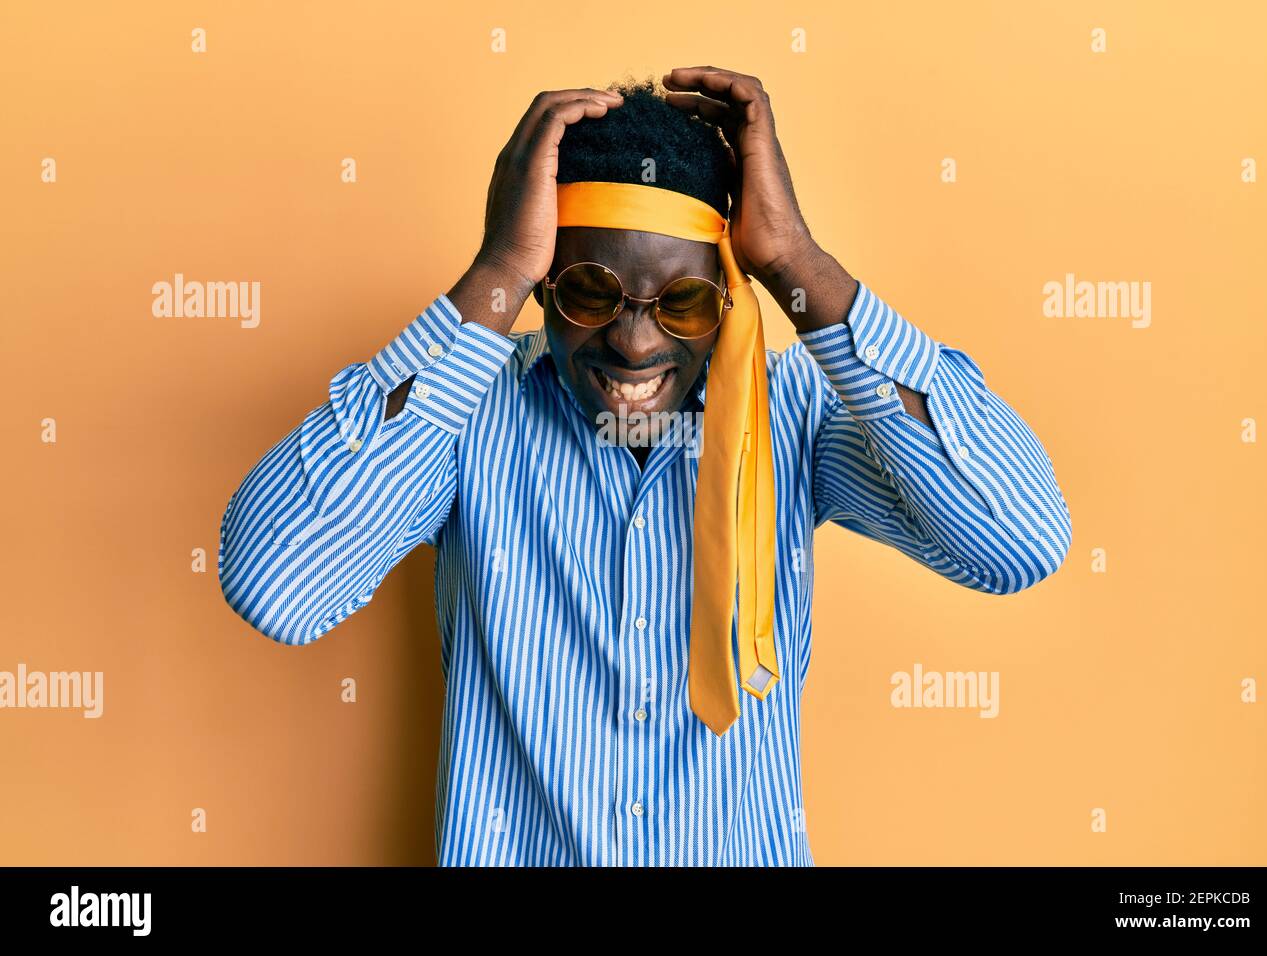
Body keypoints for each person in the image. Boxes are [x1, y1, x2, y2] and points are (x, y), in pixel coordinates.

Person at [218, 67, 1071, 866]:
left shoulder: (795, 417)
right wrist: (495, 274)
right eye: (589, 290)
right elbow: (278, 587)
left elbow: (1017, 543)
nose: (634, 343)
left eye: (684, 301)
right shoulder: (465, 413)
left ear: (728, 297)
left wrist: (797, 264)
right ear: (547, 285)